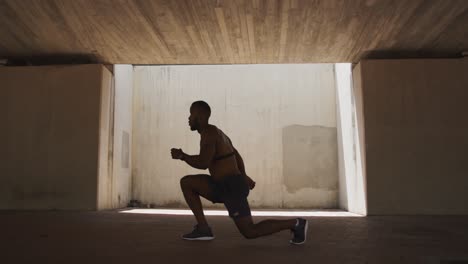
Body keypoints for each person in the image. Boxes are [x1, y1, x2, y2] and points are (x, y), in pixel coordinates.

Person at [171, 101, 308, 245]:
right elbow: (236, 154)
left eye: (191, 114)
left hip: (231, 187)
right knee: (187, 182)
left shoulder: (210, 133)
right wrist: (243, 175)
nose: (188, 118)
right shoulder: (217, 133)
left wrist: (182, 156)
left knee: (250, 231)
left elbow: (204, 163)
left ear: (199, 116)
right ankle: (203, 228)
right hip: (220, 185)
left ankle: (296, 224)